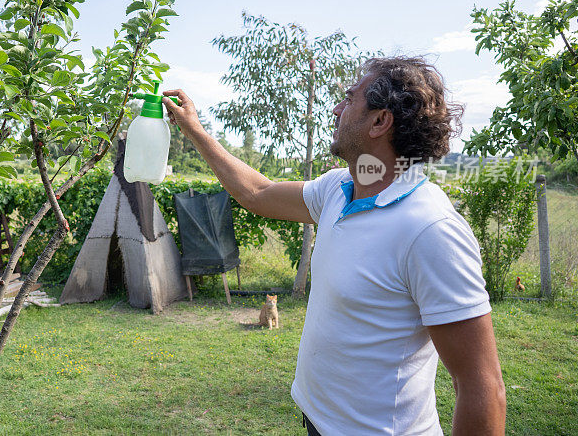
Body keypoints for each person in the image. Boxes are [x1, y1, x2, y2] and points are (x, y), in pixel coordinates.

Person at [162, 56, 506, 436]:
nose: (336, 108)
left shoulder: (429, 229)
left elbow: (482, 387)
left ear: (380, 121)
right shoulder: (338, 189)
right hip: (317, 420)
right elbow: (257, 193)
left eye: (349, 98)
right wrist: (194, 130)